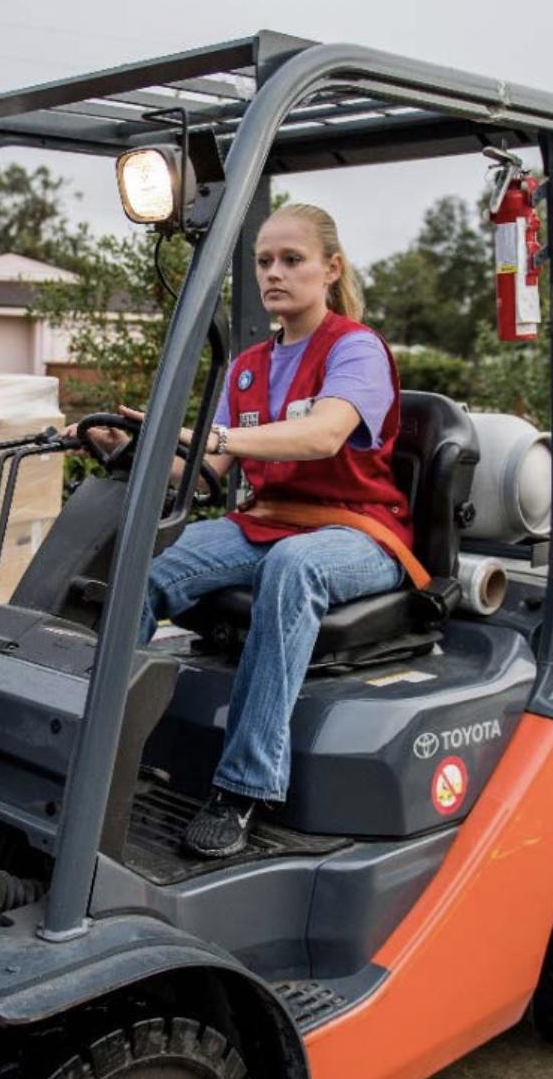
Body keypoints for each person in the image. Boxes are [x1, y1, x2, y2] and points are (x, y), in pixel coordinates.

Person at [83, 204, 412, 858]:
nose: (274, 272)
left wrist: (215, 434)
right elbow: (208, 466)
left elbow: (322, 436)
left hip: (361, 533)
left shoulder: (355, 348)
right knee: (148, 564)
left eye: (292, 259)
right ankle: (95, 744)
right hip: (269, 523)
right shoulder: (248, 366)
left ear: (331, 269)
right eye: (264, 261)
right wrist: (133, 444)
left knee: (296, 569)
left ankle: (243, 786)